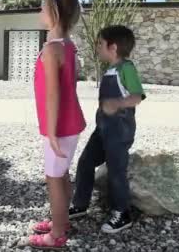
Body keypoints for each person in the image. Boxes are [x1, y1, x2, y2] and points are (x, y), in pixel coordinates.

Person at [68, 25, 146, 234]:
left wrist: (117, 103)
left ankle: (122, 213)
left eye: (100, 44)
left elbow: (137, 96)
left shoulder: (126, 68)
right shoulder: (110, 70)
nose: (97, 48)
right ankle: (80, 204)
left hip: (119, 131)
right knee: (86, 161)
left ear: (113, 47)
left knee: (116, 171)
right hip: (102, 129)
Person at [28, 0, 86, 250]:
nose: (40, 11)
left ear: (54, 13)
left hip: (59, 126)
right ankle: (61, 221)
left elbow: (53, 93)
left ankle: (58, 234)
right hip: (69, 123)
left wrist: (50, 132)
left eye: (43, 8)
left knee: (54, 177)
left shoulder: (53, 49)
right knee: (61, 175)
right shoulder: (67, 44)